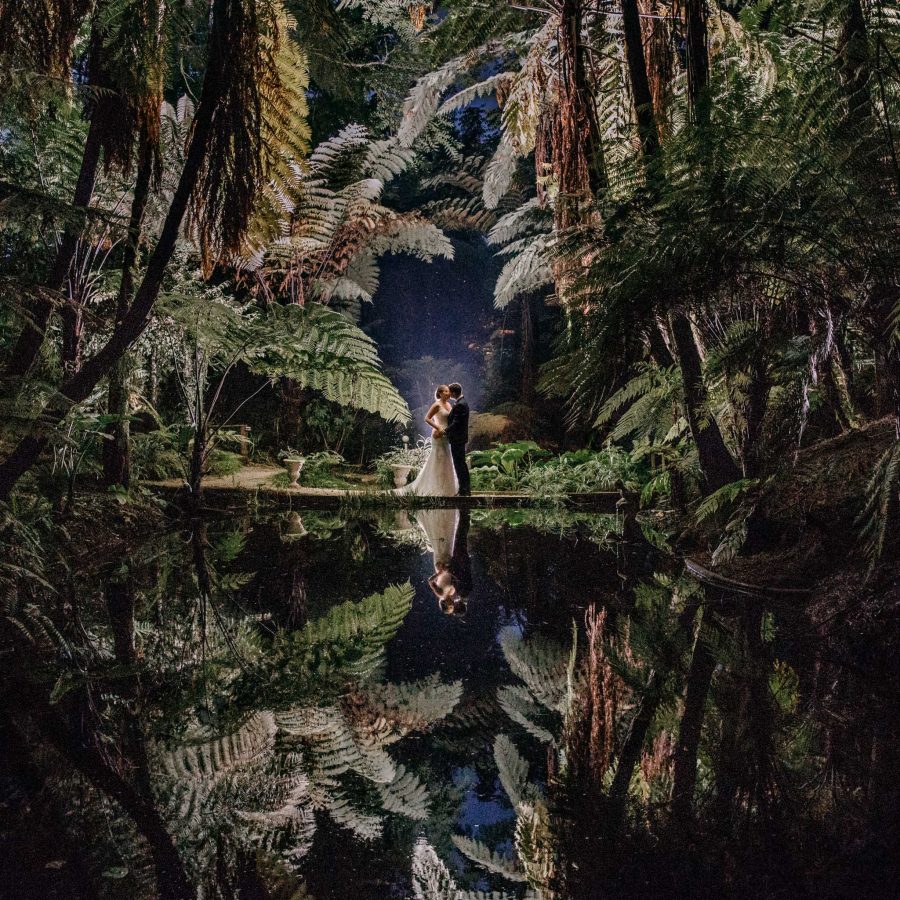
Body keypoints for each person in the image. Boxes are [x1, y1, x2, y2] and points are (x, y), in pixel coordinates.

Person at [395, 385, 459, 496]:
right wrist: (437, 427)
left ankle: (447, 489)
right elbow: (427, 418)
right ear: (440, 393)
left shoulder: (449, 404)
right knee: (438, 460)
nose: (448, 393)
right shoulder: (437, 405)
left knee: (447, 460)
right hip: (438, 434)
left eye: (449, 391)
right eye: (446, 391)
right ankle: (435, 488)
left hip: (446, 435)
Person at [444, 383, 471, 496]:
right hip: (458, 439)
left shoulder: (461, 404)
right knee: (460, 464)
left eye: (450, 393)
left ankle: (465, 490)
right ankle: (464, 489)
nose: (449, 395)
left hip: (458, 439)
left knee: (460, 464)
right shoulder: (460, 403)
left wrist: (445, 431)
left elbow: (456, 422)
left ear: (454, 393)